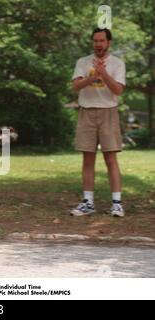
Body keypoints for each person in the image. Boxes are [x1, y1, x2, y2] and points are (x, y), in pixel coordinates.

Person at [70, 28, 126, 217]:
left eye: (102, 40)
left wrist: (104, 74)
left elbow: (118, 90)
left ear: (108, 42)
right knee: (88, 158)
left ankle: (117, 203)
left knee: (111, 158)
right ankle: (88, 202)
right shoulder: (83, 62)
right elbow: (76, 86)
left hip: (108, 112)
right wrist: (94, 76)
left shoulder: (117, 64)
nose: (98, 44)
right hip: (87, 111)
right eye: (95, 41)